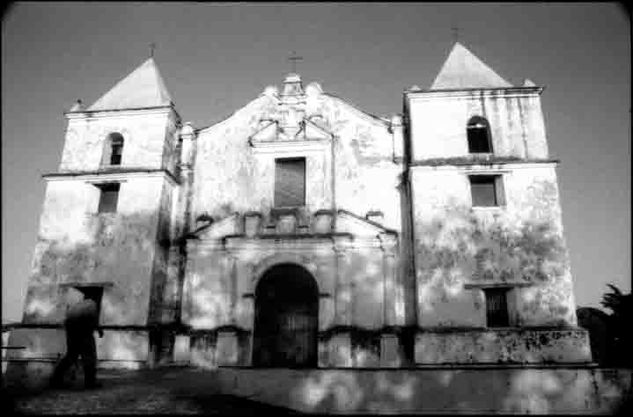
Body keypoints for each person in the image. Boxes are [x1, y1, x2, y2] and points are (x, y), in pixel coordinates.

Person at [50, 290, 103, 389]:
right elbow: (92, 319)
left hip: (70, 326)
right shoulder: (93, 304)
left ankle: (55, 379)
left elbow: (69, 318)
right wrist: (99, 330)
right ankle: (90, 383)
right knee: (89, 356)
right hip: (82, 327)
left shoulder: (80, 304)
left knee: (71, 355)